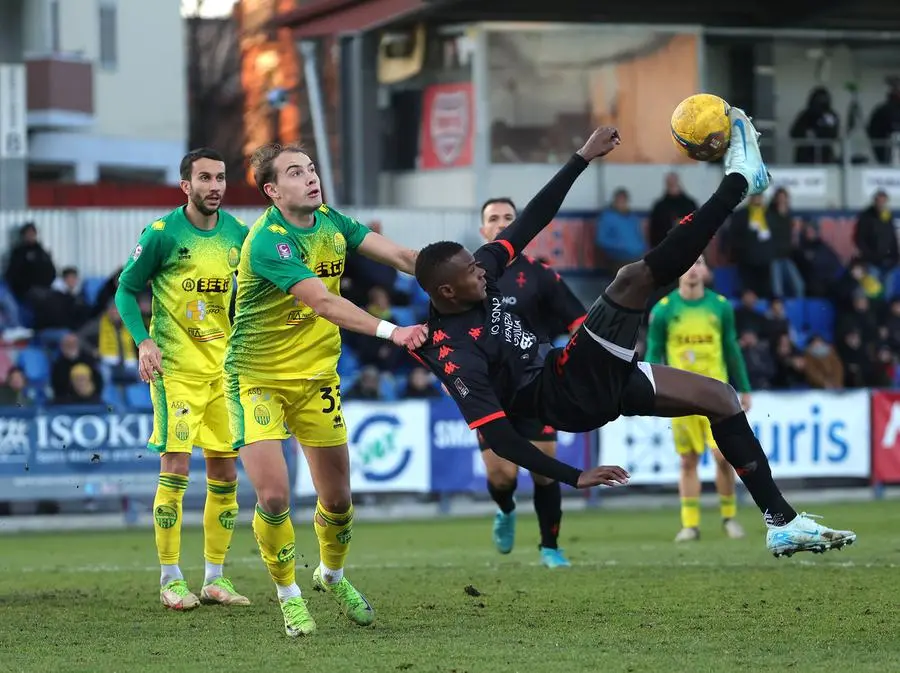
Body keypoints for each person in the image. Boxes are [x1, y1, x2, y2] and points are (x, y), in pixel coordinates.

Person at [411, 112, 856, 560]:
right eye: (471, 271)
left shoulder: (481, 275)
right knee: (631, 279)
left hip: (582, 381)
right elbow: (504, 439)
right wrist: (575, 474)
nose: (483, 272)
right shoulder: (452, 352)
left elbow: (532, 221)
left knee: (721, 399)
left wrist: (583, 157)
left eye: (477, 263)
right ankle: (739, 182)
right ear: (447, 291)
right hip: (565, 390)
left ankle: (781, 521)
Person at [224, 143, 425, 638]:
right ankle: (289, 596)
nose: (311, 177)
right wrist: (392, 332)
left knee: (337, 500)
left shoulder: (332, 221)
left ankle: (331, 575)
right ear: (272, 190)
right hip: (257, 379)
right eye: (296, 172)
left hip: (317, 378)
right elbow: (324, 304)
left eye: (311, 168)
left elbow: (402, 256)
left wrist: (458, 272)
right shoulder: (269, 242)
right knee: (273, 496)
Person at [115, 148, 250, 610]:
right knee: (175, 468)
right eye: (205, 178)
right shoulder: (162, 234)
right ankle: (170, 578)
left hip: (223, 372)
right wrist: (143, 341)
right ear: (185, 186)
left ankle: (214, 577)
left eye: (221, 178)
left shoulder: (239, 236)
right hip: (175, 370)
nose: (215, 186)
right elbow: (126, 289)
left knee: (225, 471)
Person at [476, 197, 586, 567]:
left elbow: (579, 323)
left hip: (536, 386)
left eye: (509, 218)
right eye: (494, 219)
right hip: (488, 392)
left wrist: (577, 363)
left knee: (543, 468)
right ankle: (505, 508)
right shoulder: (468, 277)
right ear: (482, 230)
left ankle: (550, 547)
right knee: (503, 476)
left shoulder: (541, 274)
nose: (502, 224)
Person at [645, 256, 752, 543]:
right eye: (687, 263)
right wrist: (649, 390)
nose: (692, 269)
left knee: (723, 456)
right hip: (679, 397)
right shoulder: (664, 310)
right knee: (687, 460)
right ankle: (690, 525)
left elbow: (731, 349)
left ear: (706, 270)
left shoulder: (720, 306)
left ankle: (729, 518)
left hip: (715, 396)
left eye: (699, 263)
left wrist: (744, 388)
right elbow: (654, 353)